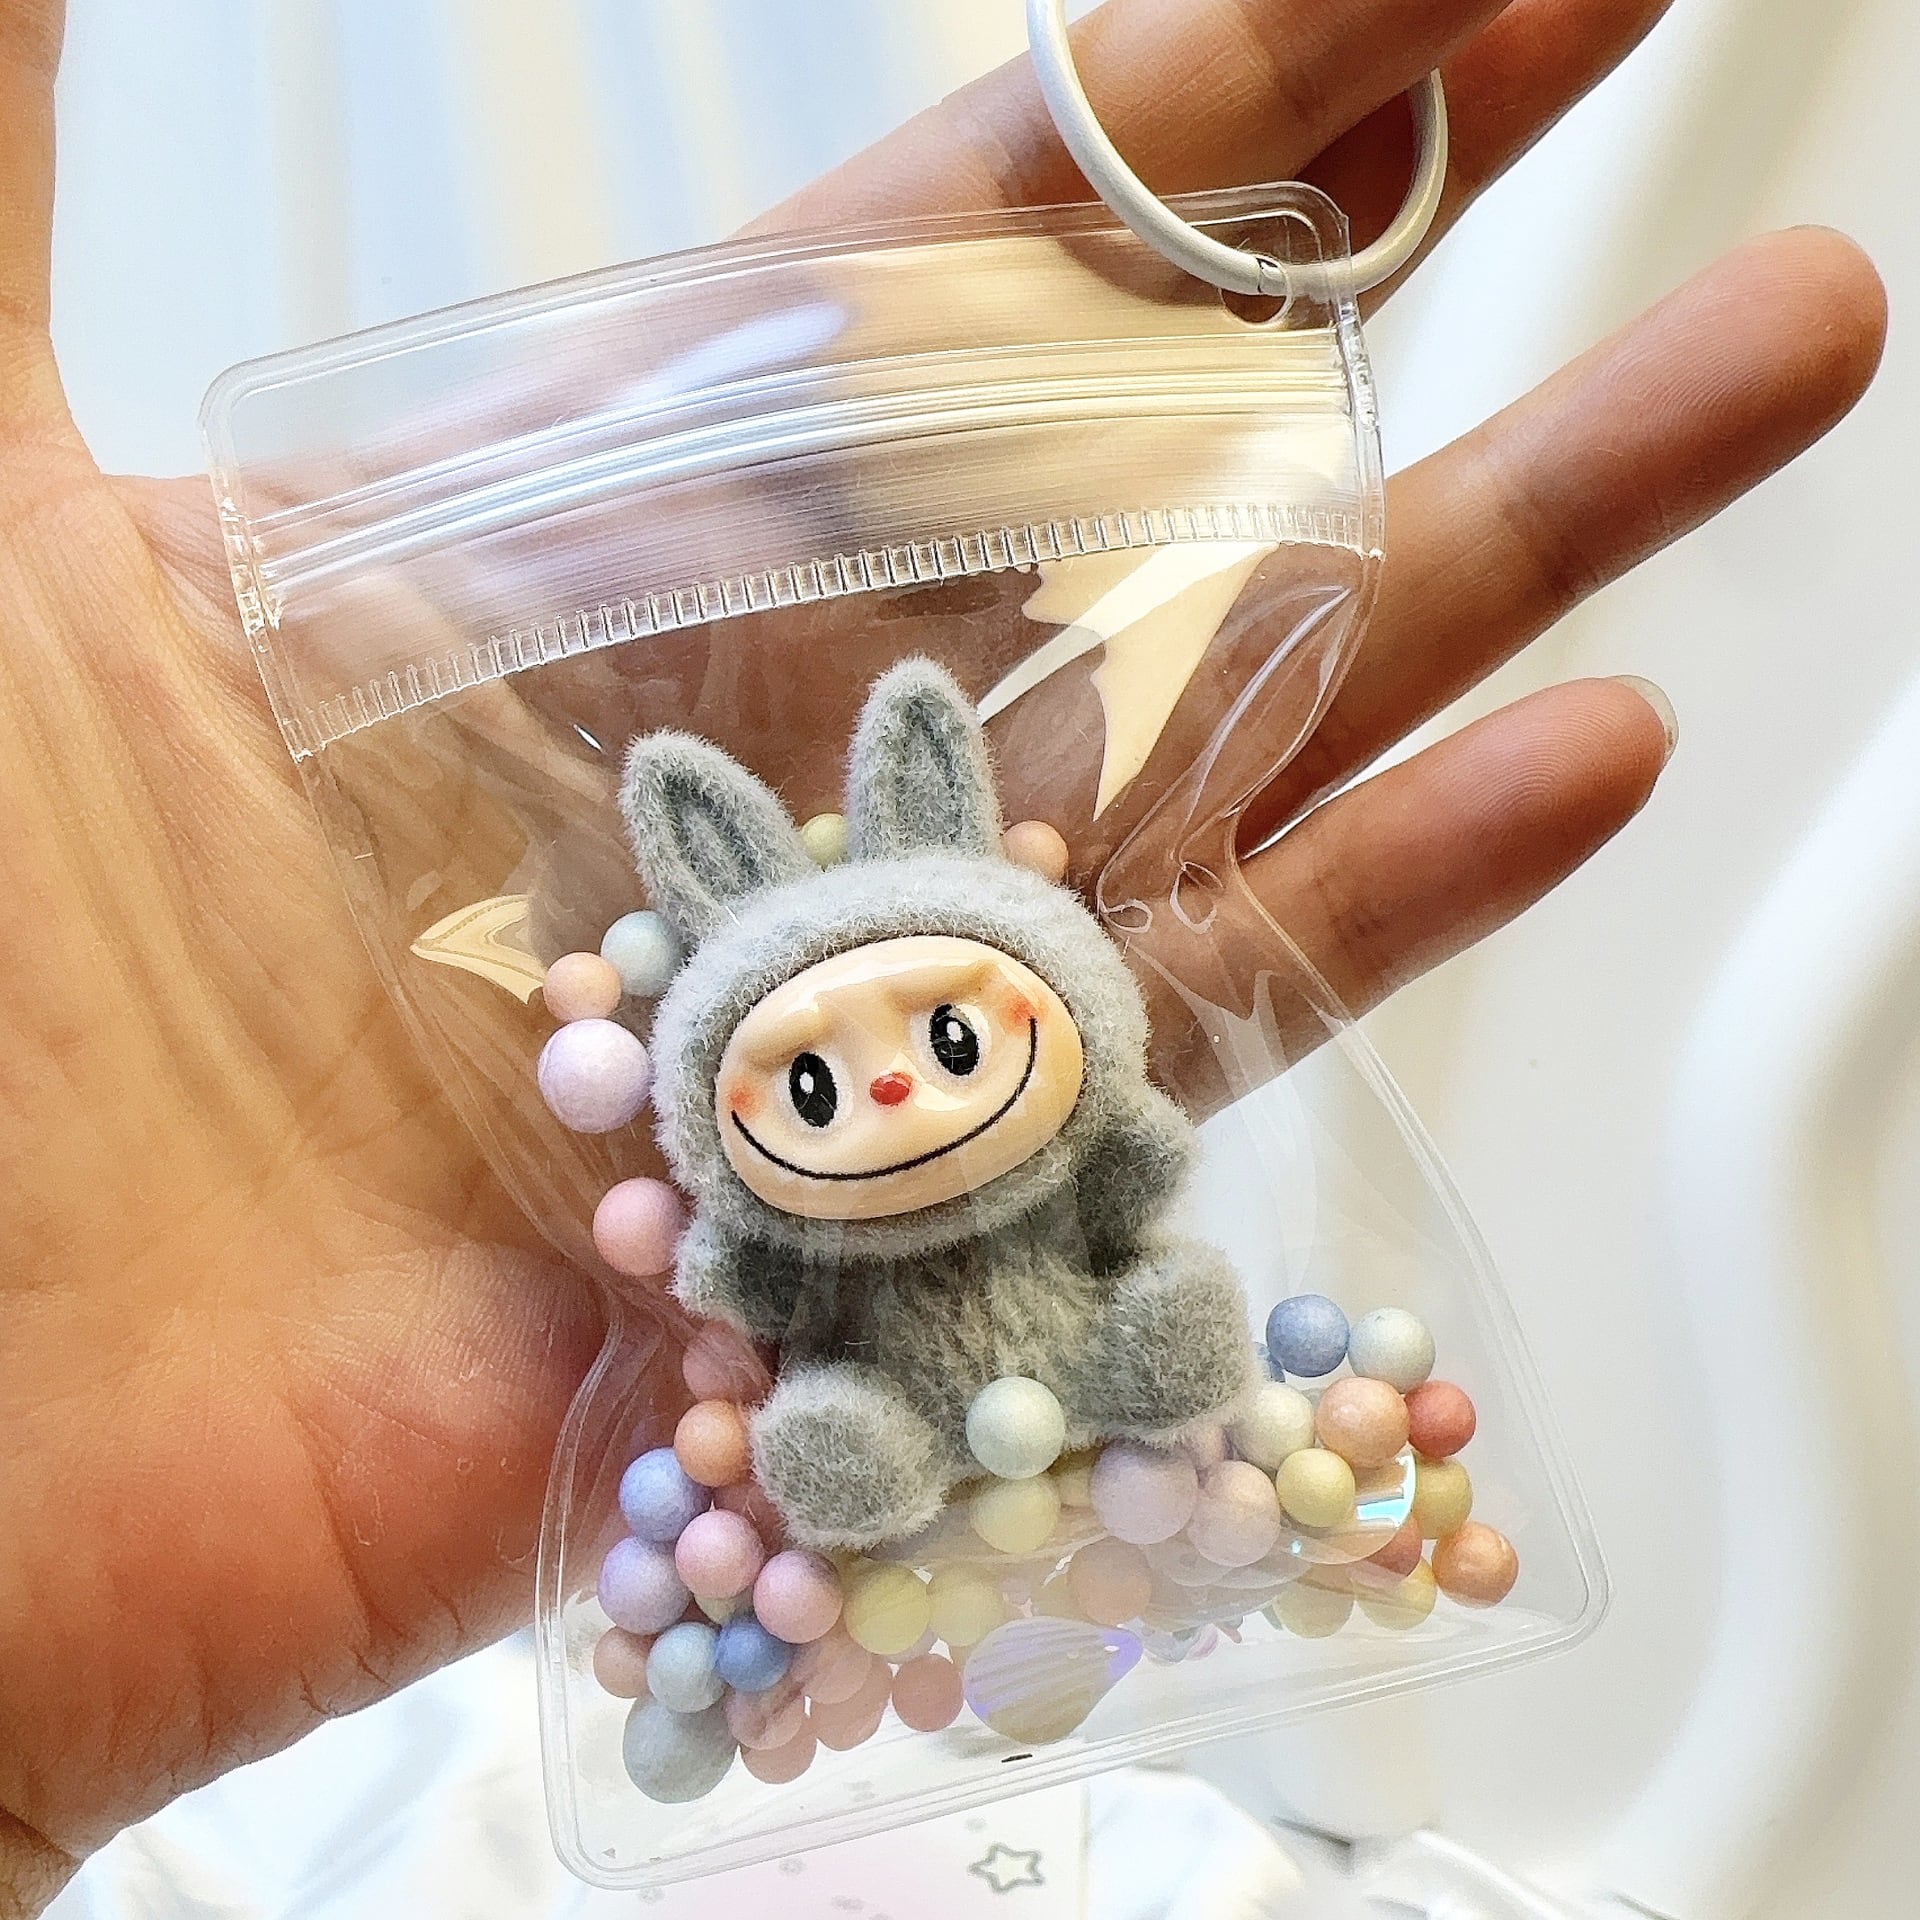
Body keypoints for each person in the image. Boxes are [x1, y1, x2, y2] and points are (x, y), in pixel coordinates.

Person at [0, 0, 1887, 1913]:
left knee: (1167, 1345)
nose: (896, 1087)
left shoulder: (1064, 1105)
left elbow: (1118, 1167)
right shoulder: (747, 1216)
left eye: (947, 1046)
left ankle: (1156, 1434)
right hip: (895, 1408)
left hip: (1103, 1385)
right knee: (841, 1447)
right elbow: (742, 1265)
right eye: (821, 1082)